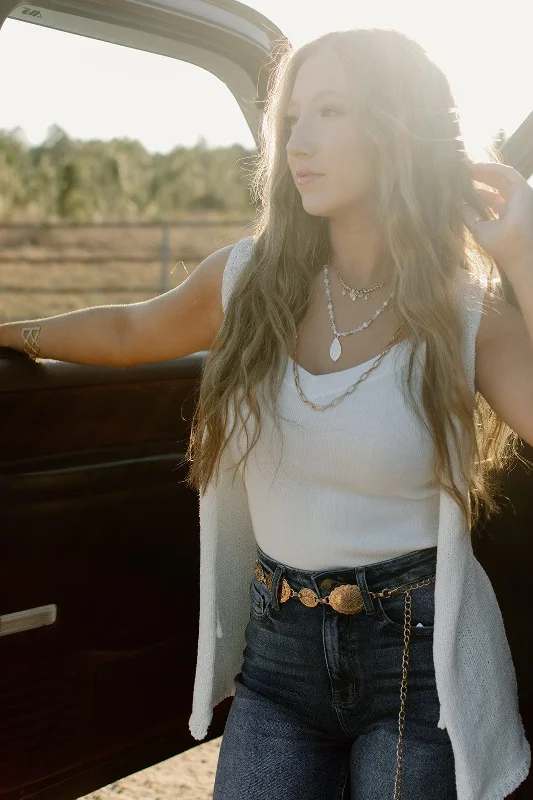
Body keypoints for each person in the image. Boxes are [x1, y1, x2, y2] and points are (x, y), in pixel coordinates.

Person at [1, 28, 532, 800]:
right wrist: (10, 332)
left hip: (419, 663)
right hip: (279, 653)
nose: (297, 142)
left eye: (330, 112)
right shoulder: (250, 277)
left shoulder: (466, 313)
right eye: (290, 120)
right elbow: (130, 331)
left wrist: (521, 254)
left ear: (397, 129)